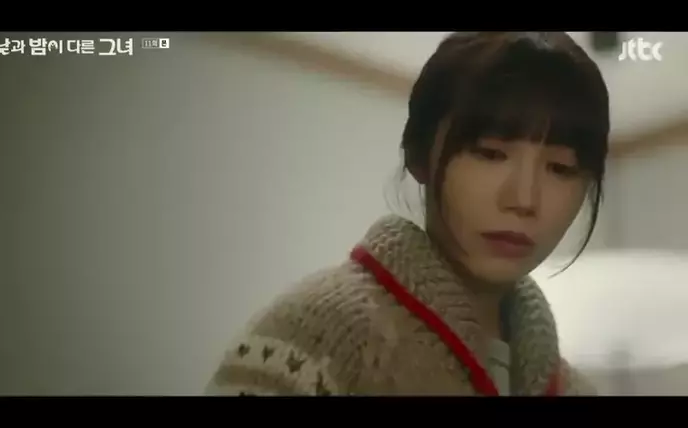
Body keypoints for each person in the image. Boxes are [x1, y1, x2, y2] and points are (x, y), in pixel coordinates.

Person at [207, 32, 608, 396]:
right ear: (419, 156)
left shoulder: (575, 390)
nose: (523, 199)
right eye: (489, 154)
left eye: (561, 168)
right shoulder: (318, 335)